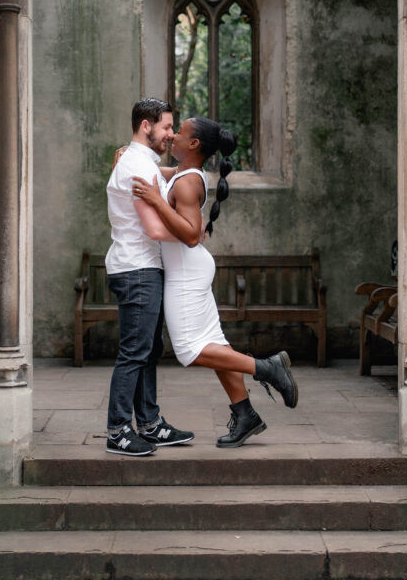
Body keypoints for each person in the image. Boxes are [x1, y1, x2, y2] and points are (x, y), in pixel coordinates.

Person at [132, 116, 298, 449]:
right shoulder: (183, 175)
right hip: (190, 270)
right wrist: (131, 155)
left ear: (194, 144)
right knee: (215, 344)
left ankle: (267, 368)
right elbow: (162, 176)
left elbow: (192, 235)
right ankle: (245, 413)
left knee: (191, 351)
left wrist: (153, 200)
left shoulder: (186, 183)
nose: (174, 135)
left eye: (180, 132)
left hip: (185, 275)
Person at [104, 97, 194, 457]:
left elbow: (165, 178)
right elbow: (156, 229)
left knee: (148, 350)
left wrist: (193, 170)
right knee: (134, 352)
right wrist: (193, 234)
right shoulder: (136, 167)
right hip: (137, 269)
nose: (171, 135)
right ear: (147, 126)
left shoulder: (141, 162)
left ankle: (150, 424)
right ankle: (117, 431)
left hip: (143, 268)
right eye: (167, 127)